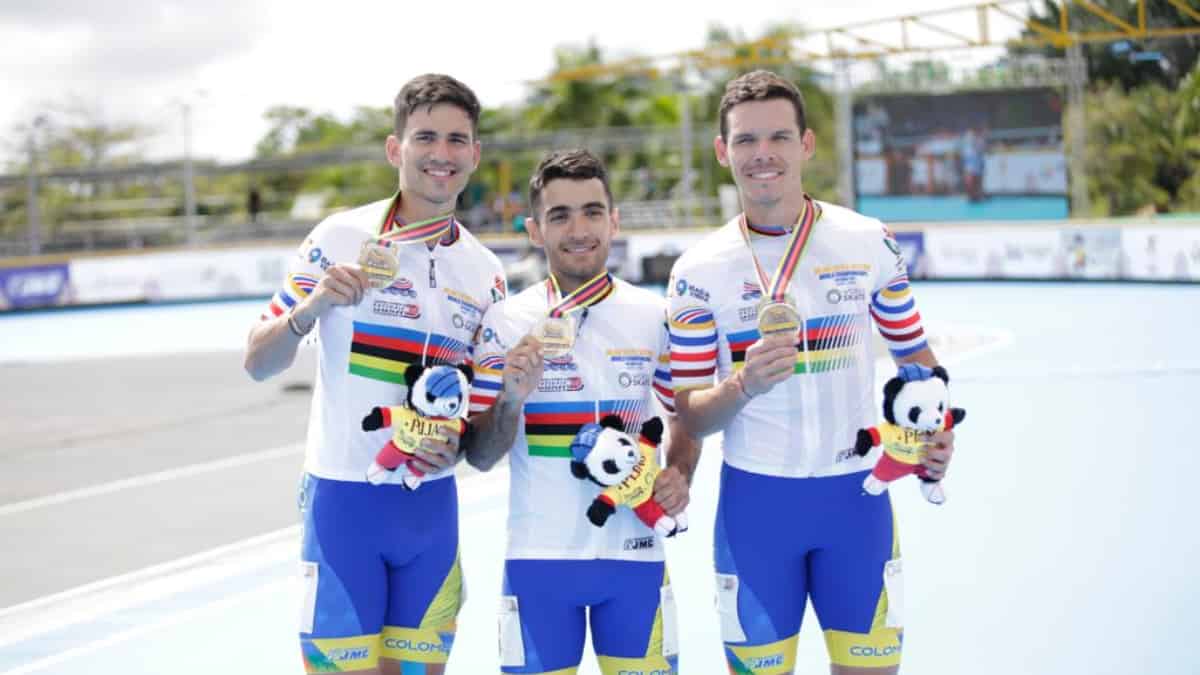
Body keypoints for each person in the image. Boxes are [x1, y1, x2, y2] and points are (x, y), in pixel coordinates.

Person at [665, 70, 957, 675]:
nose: (762, 154)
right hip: (756, 512)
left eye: (778, 137)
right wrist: (744, 384)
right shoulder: (698, 271)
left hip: (858, 501)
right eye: (745, 141)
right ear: (723, 151)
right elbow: (690, 413)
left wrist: (940, 426)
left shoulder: (867, 241)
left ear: (807, 144)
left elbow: (916, 357)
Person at [243, 73, 506, 675]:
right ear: (396, 149)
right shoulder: (340, 236)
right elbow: (259, 362)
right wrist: (312, 310)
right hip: (343, 503)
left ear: (475, 155)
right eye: (426, 137)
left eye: (457, 140)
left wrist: (461, 441)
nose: (442, 154)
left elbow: (475, 408)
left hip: (430, 509)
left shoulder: (486, 271)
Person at [463, 149, 696, 675]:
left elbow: (685, 417)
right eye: (559, 215)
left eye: (592, 211)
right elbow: (479, 456)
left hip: (635, 557)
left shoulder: (653, 316)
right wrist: (510, 398)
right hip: (538, 562)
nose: (579, 229)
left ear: (613, 220)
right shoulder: (504, 322)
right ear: (534, 230)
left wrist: (680, 470)